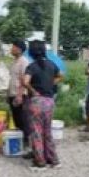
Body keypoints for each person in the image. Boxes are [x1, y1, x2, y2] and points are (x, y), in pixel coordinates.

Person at [23, 40, 62, 169]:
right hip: (49, 102)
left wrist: (33, 91)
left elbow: (25, 81)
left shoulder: (31, 66)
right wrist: (51, 83)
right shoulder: (52, 64)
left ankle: (40, 161)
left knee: (36, 132)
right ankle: (53, 159)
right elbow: (60, 76)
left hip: (36, 102)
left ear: (31, 52)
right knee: (47, 131)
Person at [6, 40, 30, 146]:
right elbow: (12, 79)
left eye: (13, 47)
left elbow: (23, 80)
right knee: (16, 118)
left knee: (22, 118)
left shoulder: (23, 61)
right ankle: (20, 140)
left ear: (19, 50)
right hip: (12, 93)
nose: (12, 49)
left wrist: (20, 95)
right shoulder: (14, 61)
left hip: (20, 95)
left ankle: (27, 141)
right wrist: (8, 94)